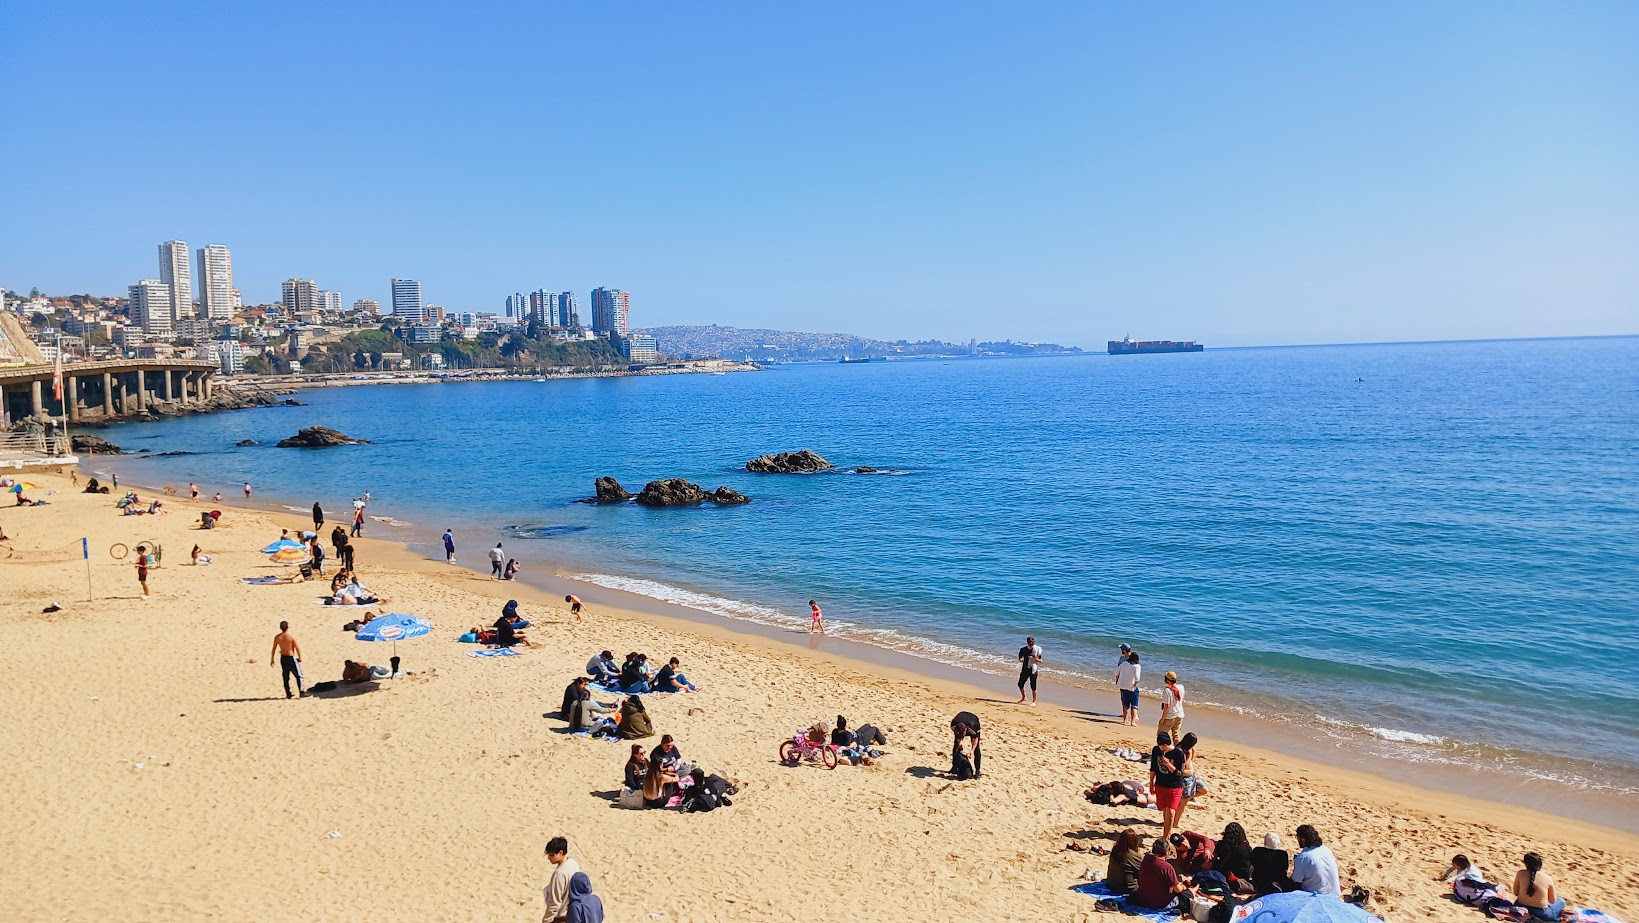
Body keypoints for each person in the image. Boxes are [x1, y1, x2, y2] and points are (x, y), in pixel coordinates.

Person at [1135, 838, 1190, 912]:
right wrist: (1184, 886)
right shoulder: (1167, 867)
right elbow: (1178, 889)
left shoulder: (1146, 859)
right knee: (1187, 895)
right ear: (1167, 852)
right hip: (1160, 904)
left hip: (1143, 900)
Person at [1149, 731, 1186, 840]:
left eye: (1164, 746)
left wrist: (1169, 765)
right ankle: (1167, 829)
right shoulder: (1156, 750)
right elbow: (1153, 768)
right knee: (1163, 809)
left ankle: (1166, 838)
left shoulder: (1178, 754)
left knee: (1170, 811)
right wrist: (1151, 783)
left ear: (1168, 744)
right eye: (1160, 745)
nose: (1162, 748)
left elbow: (1180, 773)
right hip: (1160, 784)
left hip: (1175, 786)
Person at [1512, 852, 1566, 921]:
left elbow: (1516, 893)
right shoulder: (1547, 878)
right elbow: (1552, 901)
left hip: (1521, 907)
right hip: (1541, 913)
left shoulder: (1520, 873)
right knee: (1561, 901)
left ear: (1526, 864)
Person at [1291, 825, 1341, 898]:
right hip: (1334, 895)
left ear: (1303, 840)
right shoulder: (1326, 850)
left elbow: (1296, 881)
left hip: (1316, 896)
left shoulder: (1304, 857)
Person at [541, 836, 580, 923]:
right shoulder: (574, 864)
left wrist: (546, 921)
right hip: (573, 915)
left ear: (560, 853)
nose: (549, 858)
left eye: (551, 855)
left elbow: (554, 903)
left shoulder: (559, 874)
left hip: (562, 918)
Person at [1106, 828, 1147, 896]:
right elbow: (1143, 872)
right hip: (1127, 889)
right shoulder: (1133, 856)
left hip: (1111, 885)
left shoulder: (1115, 850)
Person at [271, 620, 303, 699]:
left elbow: (274, 648)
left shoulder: (278, 637)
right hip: (291, 657)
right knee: (298, 675)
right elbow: (297, 648)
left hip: (283, 658)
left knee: (286, 676)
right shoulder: (291, 637)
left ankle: (288, 693)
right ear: (287, 627)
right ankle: (301, 692)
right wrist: (300, 657)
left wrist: (272, 659)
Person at [950, 710, 982, 779]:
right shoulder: (953, 725)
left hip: (973, 721)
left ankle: (978, 770)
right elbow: (957, 735)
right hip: (961, 718)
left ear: (966, 731)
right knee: (956, 746)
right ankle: (954, 767)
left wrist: (972, 751)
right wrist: (960, 742)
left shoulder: (973, 726)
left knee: (977, 749)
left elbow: (975, 739)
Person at [1116, 651, 1142, 726]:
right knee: (1134, 705)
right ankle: (1133, 722)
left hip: (1123, 686)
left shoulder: (1124, 663)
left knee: (1125, 704)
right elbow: (1137, 678)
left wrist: (1118, 681)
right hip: (1131, 687)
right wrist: (1134, 685)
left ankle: (1125, 720)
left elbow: (1117, 672)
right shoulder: (1137, 666)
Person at [1016, 635, 1043, 704]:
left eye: (1032, 643)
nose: (1031, 645)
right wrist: (1021, 659)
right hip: (1025, 669)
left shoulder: (1036, 650)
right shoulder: (1023, 650)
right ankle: (1024, 697)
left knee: (1033, 686)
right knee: (1020, 684)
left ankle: (1034, 701)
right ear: (1027, 643)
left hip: (1033, 670)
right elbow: (1020, 657)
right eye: (1030, 643)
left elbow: (1041, 660)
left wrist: (1034, 659)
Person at [1159, 671, 1185, 742]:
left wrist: (1162, 719)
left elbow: (1167, 706)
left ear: (1167, 680)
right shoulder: (1181, 687)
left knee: (1161, 736)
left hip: (1170, 716)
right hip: (1180, 714)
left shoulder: (1167, 690)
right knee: (1176, 736)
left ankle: (1163, 752)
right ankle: (1177, 751)